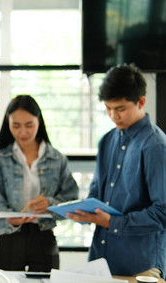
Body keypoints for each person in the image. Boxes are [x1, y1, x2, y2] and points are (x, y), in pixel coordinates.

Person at [67, 65, 166, 279]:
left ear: (141, 102)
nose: (113, 115)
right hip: (101, 262)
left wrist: (112, 223)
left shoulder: (155, 146)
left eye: (120, 109)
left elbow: (163, 211)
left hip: (141, 267)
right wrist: (84, 213)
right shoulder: (107, 141)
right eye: (108, 108)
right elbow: (97, 194)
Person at [0, 95, 78, 272]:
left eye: (29, 125)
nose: (23, 132)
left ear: (39, 122)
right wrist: (10, 219)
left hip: (44, 236)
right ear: (7, 124)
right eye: (16, 125)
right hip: (9, 237)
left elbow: (71, 200)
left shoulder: (57, 159)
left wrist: (50, 203)